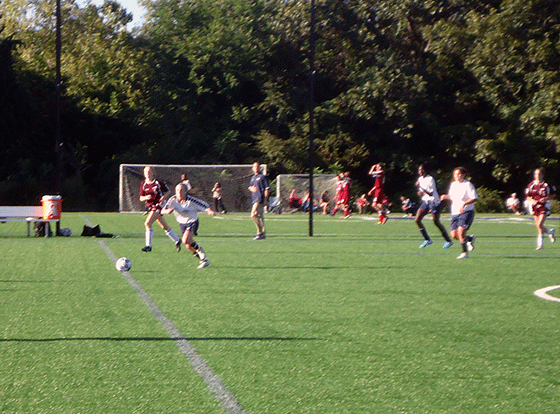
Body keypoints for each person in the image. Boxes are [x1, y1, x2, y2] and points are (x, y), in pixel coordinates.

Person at [161, 184, 215, 268]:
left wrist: (209, 211)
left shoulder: (191, 201)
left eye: (181, 190)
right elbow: (162, 211)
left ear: (185, 191)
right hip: (182, 224)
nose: (179, 192)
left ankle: (200, 249)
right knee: (188, 245)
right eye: (177, 190)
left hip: (192, 221)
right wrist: (167, 211)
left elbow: (204, 205)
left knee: (185, 240)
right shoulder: (173, 200)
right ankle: (203, 260)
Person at [139, 166, 181, 252]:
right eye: (146, 172)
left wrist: (163, 197)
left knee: (147, 223)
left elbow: (168, 191)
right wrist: (146, 197)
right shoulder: (143, 184)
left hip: (159, 205)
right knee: (163, 226)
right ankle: (177, 240)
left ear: (152, 173)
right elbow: (141, 198)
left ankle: (148, 246)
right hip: (151, 207)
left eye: (149, 171)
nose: (147, 173)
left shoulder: (157, 182)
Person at [440, 167, 478, 259]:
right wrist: (446, 196)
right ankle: (469, 239)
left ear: (463, 174)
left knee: (461, 232)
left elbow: (474, 198)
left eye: (458, 174)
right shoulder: (453, 185)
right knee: (454, 235)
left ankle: (464, 253)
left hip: (466, 211)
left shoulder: (468, 185)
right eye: (455, 174)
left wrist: (464, 204)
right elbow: (453, 196)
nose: (456, 176)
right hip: (455, 212)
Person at [414, 165, 453, 249]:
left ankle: (448, 241)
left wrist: (421, 188)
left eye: (422, 170)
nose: (420, 171)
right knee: (417, 220)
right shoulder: (420, 179)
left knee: (436, 222)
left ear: (426, 170)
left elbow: (430, 193)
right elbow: (420, 192)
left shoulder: (430, 179)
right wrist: (419, 192)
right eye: (419, 170)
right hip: (425, 201)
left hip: (434, 201)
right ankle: (427, 240)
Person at [525, 168, 555, 250]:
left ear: (542, 175)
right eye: (536, 174)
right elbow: (527, 197)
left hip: (544, 206)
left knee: (539, 224)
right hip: (534, 206)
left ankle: (540, 244)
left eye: (539, 174)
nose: (537, 176)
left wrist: (546, 198)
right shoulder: (531, 185)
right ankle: (548, 234)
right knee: (539, 226)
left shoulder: (546, 185)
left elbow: (553, 195)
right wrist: (533, 200)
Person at [248, 162, 270, 240]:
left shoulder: (263, 177)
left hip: (260, 198)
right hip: (254, 198)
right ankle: (262, 233)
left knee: (253, 214)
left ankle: (259, 232)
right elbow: (250, 187)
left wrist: (265, 199)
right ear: (252, 168)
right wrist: (251, 189)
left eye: (257, 166)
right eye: (254, 166)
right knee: (260, 217)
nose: (256, 168)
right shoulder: (253, 177)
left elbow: (267, 188)